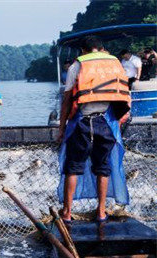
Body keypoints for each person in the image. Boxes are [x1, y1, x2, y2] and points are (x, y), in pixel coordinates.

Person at [57, 35, 131, 223]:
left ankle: (67, 212)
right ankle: (101, 211)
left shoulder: (77, 65)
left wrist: (61, 129)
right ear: (101, 48)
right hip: (104, 122)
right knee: (102, 167)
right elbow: (124, 96)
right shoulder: (115, 63)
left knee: (73, 167)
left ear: (84, 50)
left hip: (82, 123)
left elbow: (66, 101)